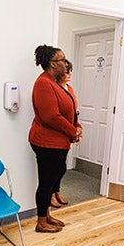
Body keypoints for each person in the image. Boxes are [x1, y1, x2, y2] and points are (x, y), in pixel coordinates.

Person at [29, 45, 82, 233]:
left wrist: (76, 128)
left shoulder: (54, 81)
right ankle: (41, 222)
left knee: (52, 181)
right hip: (46, 142)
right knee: (45, 183)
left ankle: (47, 216)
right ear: (53, 63)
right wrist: (72, 131)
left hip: (58, 142)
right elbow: (51, 116)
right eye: (63, 59)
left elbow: (69, 110)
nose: (66, 63)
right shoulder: (44, 83)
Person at [50, 59, 79, 208]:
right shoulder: (54, 88)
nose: (69, 74)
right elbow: (55, 116)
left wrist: (77, 128)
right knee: (56, 168)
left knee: (62, 166)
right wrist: (72, 130)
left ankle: (57, 191)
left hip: (69, 133)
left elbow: (74, 111)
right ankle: (51, 194)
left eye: (70, 70)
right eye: (66, 71)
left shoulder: (70, 89)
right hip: (58, 133)